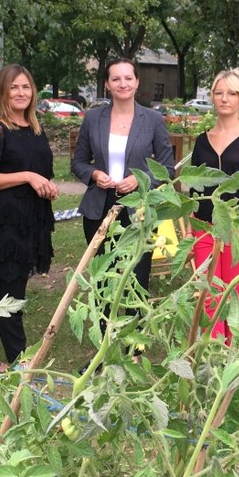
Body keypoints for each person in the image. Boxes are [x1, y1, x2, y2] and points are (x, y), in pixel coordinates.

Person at [71, 58, 175, 342]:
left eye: (128, 78)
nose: (123, 84)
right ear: (107, 84)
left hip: (138, 209)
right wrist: (93, 174)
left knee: (136, 276)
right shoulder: (94, 119)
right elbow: (78, 162)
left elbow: (167, 168)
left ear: (137, 82)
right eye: (116, 79)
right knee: (103, 278)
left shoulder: (152, 120)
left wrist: (141, 180)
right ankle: (106, 346)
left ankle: (133, 348)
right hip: (98, 208)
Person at [0, 63, 59, 373]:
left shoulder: (35, 128)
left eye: (26, 87)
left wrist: (45, 185)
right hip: (4, 225)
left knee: (0, 292)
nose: (21, 92)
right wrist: (26, 176)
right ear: (3, 92)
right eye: (14, 87)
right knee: (11, 297)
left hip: (31, 222)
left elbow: (37, 172)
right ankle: (23, 364)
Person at [190, 68, 239, 344]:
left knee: (234, 293)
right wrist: (191, 227)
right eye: (219, 93)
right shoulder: (202, 141)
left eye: (231, 93)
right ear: (212, 97)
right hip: (205, 229)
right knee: (207, 294)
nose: (225, 99)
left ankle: (231, 351)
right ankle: (210, 351)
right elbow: (194, 187)